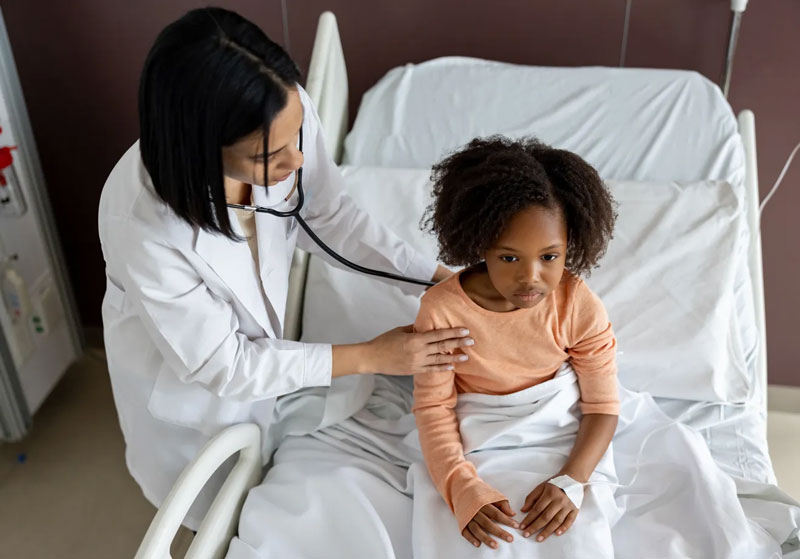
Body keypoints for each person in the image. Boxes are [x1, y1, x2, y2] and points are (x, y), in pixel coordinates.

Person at [98, 7, 468, 528]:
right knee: (213, 514)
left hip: (259, 368)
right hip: (196, 395)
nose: (294, 163)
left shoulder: (280, 108)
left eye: (295, 140)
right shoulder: (144, 224)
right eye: (266, 159)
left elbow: (331, 215)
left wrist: (437, 278)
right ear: (202, 150)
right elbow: (225, 364)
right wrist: (372, 355)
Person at [412, 136, 619, 550]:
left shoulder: (578, 305)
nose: (531, 278)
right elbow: (434, 407)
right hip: (481, 434)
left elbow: (602, 407)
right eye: (509, 258)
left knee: (574, 538)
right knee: (485, 538)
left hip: (562, 428)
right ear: (480, 243)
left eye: (549, 257)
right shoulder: (441, 311)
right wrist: (462, 486)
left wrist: (572, 479)